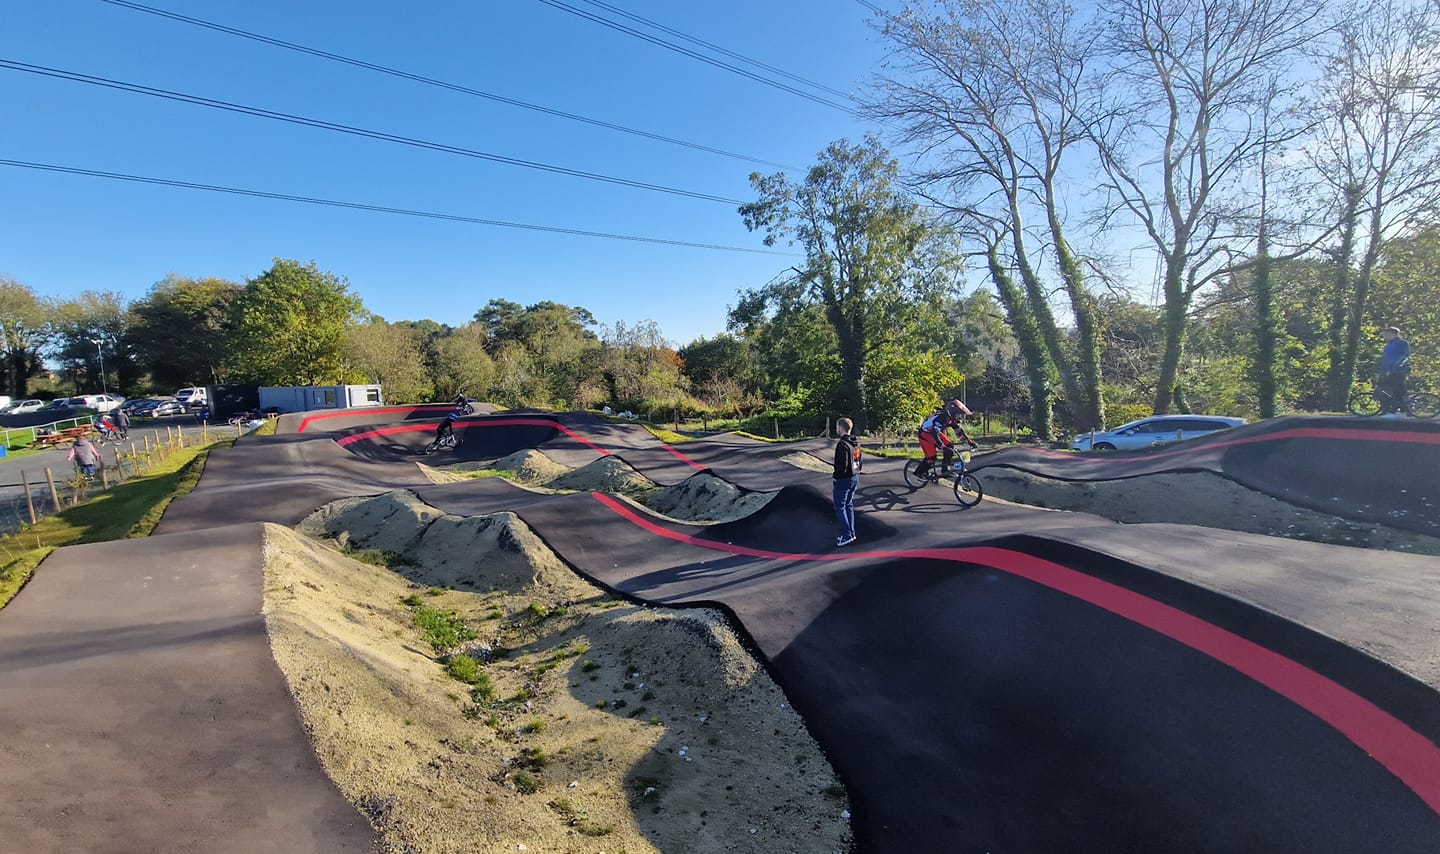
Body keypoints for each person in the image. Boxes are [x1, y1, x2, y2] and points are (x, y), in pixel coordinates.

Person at [916, 399, 977, 479]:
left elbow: (959, 432)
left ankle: (944, 470)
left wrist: (970, 442)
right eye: (958, 414)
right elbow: (935, 435)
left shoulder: (951, 419)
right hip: (925, 434)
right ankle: (919, 472)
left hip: (934, 433)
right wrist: (942, 446)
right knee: (931, 457)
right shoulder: (941, 419)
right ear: (952, 412)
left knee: (950, 447)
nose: (959, 416)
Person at [832, 416, 861, 547]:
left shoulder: (842, 445)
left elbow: (841, 465)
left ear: (841, 428)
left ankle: (847, 534)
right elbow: (858, 461)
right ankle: (851, 532)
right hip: (855, 477)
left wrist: (836, 477)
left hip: (844, 479)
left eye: (837, 427)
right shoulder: (856, 442)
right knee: (849, 505)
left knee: (839, 507)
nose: (836, 429)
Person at [1377, 326, 1411, 414]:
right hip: (1388, 370)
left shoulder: (1402, 343)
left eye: (1387, 334)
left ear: (1393, 334)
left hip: (1398, 370)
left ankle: (1399, 408)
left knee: (1396, 389)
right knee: (1388, 389)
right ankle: (1394, 408)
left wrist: (1393, 367)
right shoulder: (1390, 344)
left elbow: (1403, 357)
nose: (1386, 336)